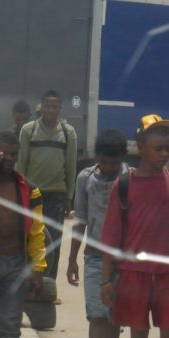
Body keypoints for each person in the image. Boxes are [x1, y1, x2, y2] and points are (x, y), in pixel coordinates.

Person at [101, 114, 169, 338]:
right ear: (140, 148)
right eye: (158, 149)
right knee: (138, 333)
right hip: (133, 275)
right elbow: (110, 237)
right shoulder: (124, 186)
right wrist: (105, 282)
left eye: (167, 148)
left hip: (166, 274)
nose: (164, 154)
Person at [67, 129, 128, 338]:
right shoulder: (86, 178)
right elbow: (80, 220)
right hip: (94, 258)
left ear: (123, 159)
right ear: (96, 158)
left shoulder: (130, 178)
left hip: (122, 261)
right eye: (104, 162)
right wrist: (72, 259)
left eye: (114, 163)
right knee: (96, 315)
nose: (109, 167)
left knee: (114, 316)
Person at [0, 131, 47, 338]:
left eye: (14, 154)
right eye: (4, 153)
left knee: (10, 325)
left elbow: (37, 232)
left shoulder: (29, 190)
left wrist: (38, 270)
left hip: (14, 262)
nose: (9, 158)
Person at [16, 90, 78, 282]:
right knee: (28, 238)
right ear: (41, 108)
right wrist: (19, 193)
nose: (50, 110)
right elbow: (21, 163)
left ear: (60, 109)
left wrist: (69, 197)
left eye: (54, 106)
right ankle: (27, 280)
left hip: (57, 194)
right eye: (47, 106)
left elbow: (71, 166)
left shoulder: (68, 133)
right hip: (32, 194)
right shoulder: (28, 130)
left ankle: (48, 284)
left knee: (54, 241)